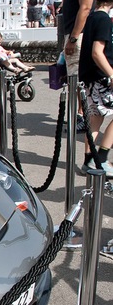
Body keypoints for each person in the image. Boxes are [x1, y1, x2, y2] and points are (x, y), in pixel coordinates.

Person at [78, 0, 113, 176]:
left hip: (91, 78)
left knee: (94, 120)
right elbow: (97, 52)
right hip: (102, 78)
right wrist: (111, 74)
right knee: (96, 120)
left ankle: (89, 160)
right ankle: (102, 157)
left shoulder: (93, 17)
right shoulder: (104, 20)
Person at [63, 0, 94, 132]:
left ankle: (83, 116)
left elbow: (86, 8)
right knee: (75, 79)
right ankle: (81, 114)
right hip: (76, 34)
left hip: (79, 35)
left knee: (78, 79)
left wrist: (73, 38)